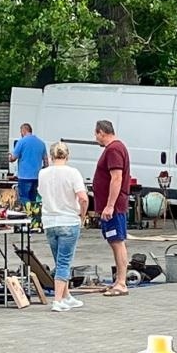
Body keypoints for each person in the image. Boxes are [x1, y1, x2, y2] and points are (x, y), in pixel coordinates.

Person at [38, 142, 89, 311]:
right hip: (68, 220)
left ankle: (67, 296)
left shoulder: (43, 173)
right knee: (64, 262)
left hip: (49, 221)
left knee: (59, 260)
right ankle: (57, 300)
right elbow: (83, 197)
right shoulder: (73, 173)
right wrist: (82, 214)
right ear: (67, 156)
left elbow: (40, 193)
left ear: (51, 157)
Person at [93, 119, 132, 296]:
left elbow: (116, 178)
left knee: (117, 241)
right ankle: (118, 280)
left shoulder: (114, 149)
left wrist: (109, 205)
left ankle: (122, 283)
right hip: (112, 206)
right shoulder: (116, 148)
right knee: (114, 241)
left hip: (114, 207)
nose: (96, 138)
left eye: (96, 134)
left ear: (102, 132)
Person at [9, 123, 49, 208]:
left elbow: (13, 158)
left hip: (24, 177)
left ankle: (28, 215)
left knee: (24, 197)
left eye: (21, 131)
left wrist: (9, 157)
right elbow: (46, 161)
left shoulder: (21, 142)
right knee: (33, 198)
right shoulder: (41, 143)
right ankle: (34, 217)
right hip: (37, 177)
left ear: (24, 131)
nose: (21, 134)